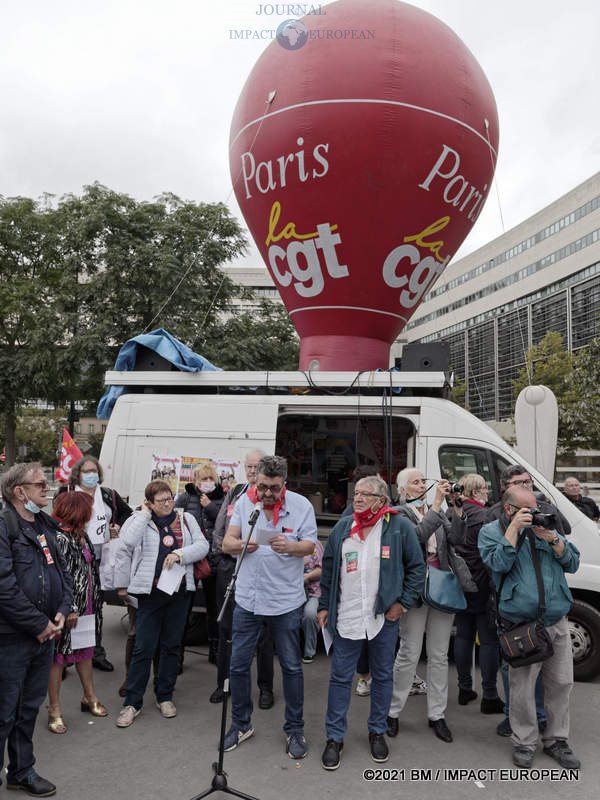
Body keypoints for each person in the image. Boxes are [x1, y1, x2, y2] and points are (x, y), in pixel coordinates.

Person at [317, 476, 425, 769]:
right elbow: (328, 570)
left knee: (382, 676)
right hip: (347, 615)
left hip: (382, 618)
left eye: (366, 494)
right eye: (356, 493)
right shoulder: (342, 528)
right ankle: (334, 737)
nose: (359, 498)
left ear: (381, 500)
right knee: (340, 677)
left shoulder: (398, 527)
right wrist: (325, 605)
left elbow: (417, 568)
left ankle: (377, 732)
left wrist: (402, 603)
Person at [478, 485, 581, 769]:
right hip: (520, 625)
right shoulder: (491, 531)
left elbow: (572, 562)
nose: (535, 513)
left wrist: (552, 539)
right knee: (521, 689)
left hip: (556, 620)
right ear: (509, 509)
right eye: (528, 509)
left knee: (561, 683)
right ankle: (524, 741)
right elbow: (497, 563)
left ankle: (557, 740)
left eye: (535, 507)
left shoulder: (545, 526)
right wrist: (513, 530)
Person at [222, 455, 317, 759]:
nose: (267, 493)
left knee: (290, 667)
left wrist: (291, 547)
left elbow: (310, 545)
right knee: (237, 665)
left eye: (274, 488)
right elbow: (227, 542)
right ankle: (240, 723)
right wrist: (239, 546)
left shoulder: (302, 505)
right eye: (263, 486)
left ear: (284, 485)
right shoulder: (244, 503)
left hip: (286, 601)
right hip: (248, 599)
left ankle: (294, 729)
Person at [0, 463, 73, 797]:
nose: (48, 489)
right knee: (4, 713)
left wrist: (61, 611)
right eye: (41, 484)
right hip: (11, 638)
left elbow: (64, 574)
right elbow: (4, 587)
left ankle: (21, 771)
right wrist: (38, 623)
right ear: (19, 491)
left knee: (28, 709)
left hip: (44, 637)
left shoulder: (46, 525)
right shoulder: (4, 525)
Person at [387, 468, 475, 744]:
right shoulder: (398, 514)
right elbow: (417, 538)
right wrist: (437, 504)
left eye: (423, 480)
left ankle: (437, 714)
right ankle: (392, 712)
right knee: (409, 653)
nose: (422, 484)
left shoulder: (436, 509)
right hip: (415, 591)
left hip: (443, 587)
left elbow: (459, 539)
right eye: (416, 482)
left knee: (438, 655)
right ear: (403, 490)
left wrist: (458, 510)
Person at [113, 479, 208, 727]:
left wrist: (180, 554)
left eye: (169, 499)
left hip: (179, 593)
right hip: (150, 594)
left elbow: (202, 545)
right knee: (143, 648)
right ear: (149, 503)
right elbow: (128, 542)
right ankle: (132, 702)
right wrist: (145, 514)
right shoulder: (140, 520)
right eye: (161, 501)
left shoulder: (186, 519)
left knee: (172, 646)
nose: (168, 504)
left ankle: (164, 696)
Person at [210, 450, 275, 706]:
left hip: (261, 571)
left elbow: (275, 536)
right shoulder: (235, 492)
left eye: (256, 466)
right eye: (248, 466)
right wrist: (222, 558)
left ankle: (266, 688)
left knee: (264, 633)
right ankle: (223, 685)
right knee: (227, 629)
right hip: (230, 568)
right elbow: (219, 529)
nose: (251, 470)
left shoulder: (272, 496)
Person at [61, 456, 132, 671]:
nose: (91, 475)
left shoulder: (108, 495)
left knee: (95, 607)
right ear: (77, 475)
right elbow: (58, 522)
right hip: (73, 559)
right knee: (72, 607)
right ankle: (65, 658)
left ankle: (95, 652)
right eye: (86, 471)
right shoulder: (66, 494)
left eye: (94, 470)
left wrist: (117, 526)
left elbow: (128, 514)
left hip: (101, 558)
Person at [46, 492, 107, 734]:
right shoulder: (59, 538)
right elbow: (60, 578)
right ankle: (54, 708)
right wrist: (69, 608)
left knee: (84, 652)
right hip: (68, 610)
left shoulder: (81, 535)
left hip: (88, 605)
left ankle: (89, 697)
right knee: (58, 659)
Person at [451, 474, 504, 713]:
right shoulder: (484, 516)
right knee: (489, 640)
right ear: (474, 492)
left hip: (459, 582)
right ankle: (490, 695)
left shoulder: (452, 512)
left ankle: (464, 689)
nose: (487, 492)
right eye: (483, 488)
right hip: (482, 583)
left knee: (463, 636)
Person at [175, 463, 225, 664]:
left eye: (210, 479)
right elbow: (176, 524)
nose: (207, 483)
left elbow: (224, 524)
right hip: (190, 560)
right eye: (203, 479)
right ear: (195, 481)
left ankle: (215, 649)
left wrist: (210, 507)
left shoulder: (222, 498)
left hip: (213, 559)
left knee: (214, 607)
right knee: (184, 608)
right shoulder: (185, 498)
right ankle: (178, 653)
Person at [485, 464, 571, 536]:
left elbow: (564, 547)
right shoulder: (494, 514)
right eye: (517, 483)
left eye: (527, 481)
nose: (525, 486)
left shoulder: (548, 509)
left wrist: (554, 539)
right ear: (504, 487)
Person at [301, 538, 323, 664]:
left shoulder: (315, 544)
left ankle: (309, 652)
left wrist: (308, 576)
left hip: (312, 591)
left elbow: (321, 570)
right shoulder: (287, 542)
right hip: (291, 592)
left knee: (310, 614)